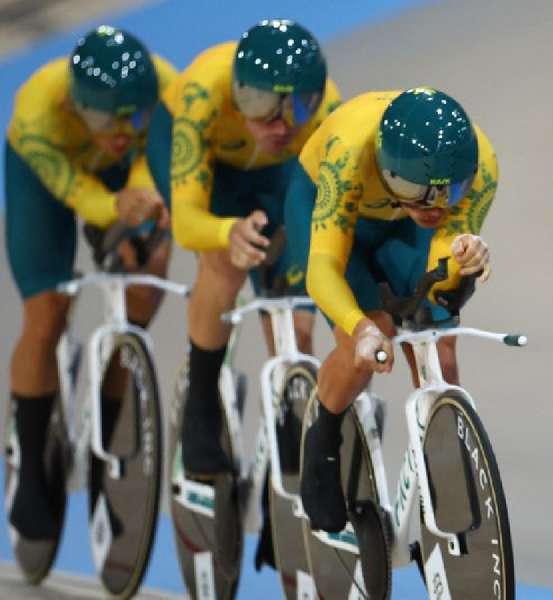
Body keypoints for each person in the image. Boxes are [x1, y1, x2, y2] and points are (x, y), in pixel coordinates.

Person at [283, 87, 497, 532]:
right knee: (369, 339)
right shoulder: (348, 152)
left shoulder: (481, 167)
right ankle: (321, 442)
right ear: (384, 168)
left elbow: (447, 245)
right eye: (414, 190)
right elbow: (322, 269)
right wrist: (358, 328)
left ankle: (443, 472)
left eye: (448, 191)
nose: (431, 204)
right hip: (330, 212)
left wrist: (463, 251)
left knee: (439, 345)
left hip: (399, 225)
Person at [146, 19, 341, 481]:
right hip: (211, 170)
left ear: (314, 99)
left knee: (296, 310)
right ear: (236, 93)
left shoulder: (327, 108)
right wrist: (223, 231)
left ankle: (291, 445)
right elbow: (189, 220)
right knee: (224, 265)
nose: (278, 125)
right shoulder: (201, 95)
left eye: (295, 109)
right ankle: (200, 406)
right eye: (259, 107)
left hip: (276, 174)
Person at [4, 25, 175, 540]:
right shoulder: (38, 108)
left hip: (126, 175)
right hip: (49, 182)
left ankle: (110, 429)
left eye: (134, 117)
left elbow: (160, 155)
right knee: (48, 310)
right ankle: (31, 463)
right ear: (77, 106)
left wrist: (144, 192)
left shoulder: (167, 87)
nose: (122, 130)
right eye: (106, 118)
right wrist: (115, 208)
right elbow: (77, 193)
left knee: (145, 282)